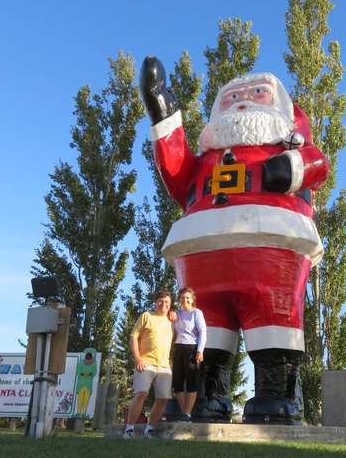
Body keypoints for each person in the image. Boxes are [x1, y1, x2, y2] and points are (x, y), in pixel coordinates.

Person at [140, 57, 330, 424]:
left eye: (257, 93)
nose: (243, 101)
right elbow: (177, 173)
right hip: (201, 252)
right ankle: (204, 399)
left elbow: (316, 165)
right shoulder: (205, 161)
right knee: (203, 330)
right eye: (232, 97)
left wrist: (289, 168)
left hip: (271, 243)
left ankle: (275, 398)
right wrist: (163, 114)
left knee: (273, 319)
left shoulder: (285, 144)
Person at [124, 290, 175, 438]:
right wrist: (138, 358)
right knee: (141, 393)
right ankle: (129, 429)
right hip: (145, 363)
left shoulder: (172, 320)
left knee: (163, 398)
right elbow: (134, 336)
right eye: (161, 301)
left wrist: (174, 314)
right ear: (155, 302)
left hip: (164, 366)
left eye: (167, 302)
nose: (163, 304)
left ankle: (149, 429)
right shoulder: (147, 316)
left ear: (170, 305)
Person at [171, 287, 207, 422]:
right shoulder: (176, 314)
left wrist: (200, 350)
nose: (185, 300)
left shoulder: (197, 313)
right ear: (179, 299)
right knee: (177, 383)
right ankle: (184, 412)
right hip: (178, 349)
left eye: (187, 298)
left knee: (192, 381)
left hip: (192, 349)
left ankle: (187, 414)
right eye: (182, 297)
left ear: (192, 300)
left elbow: (203, 331)